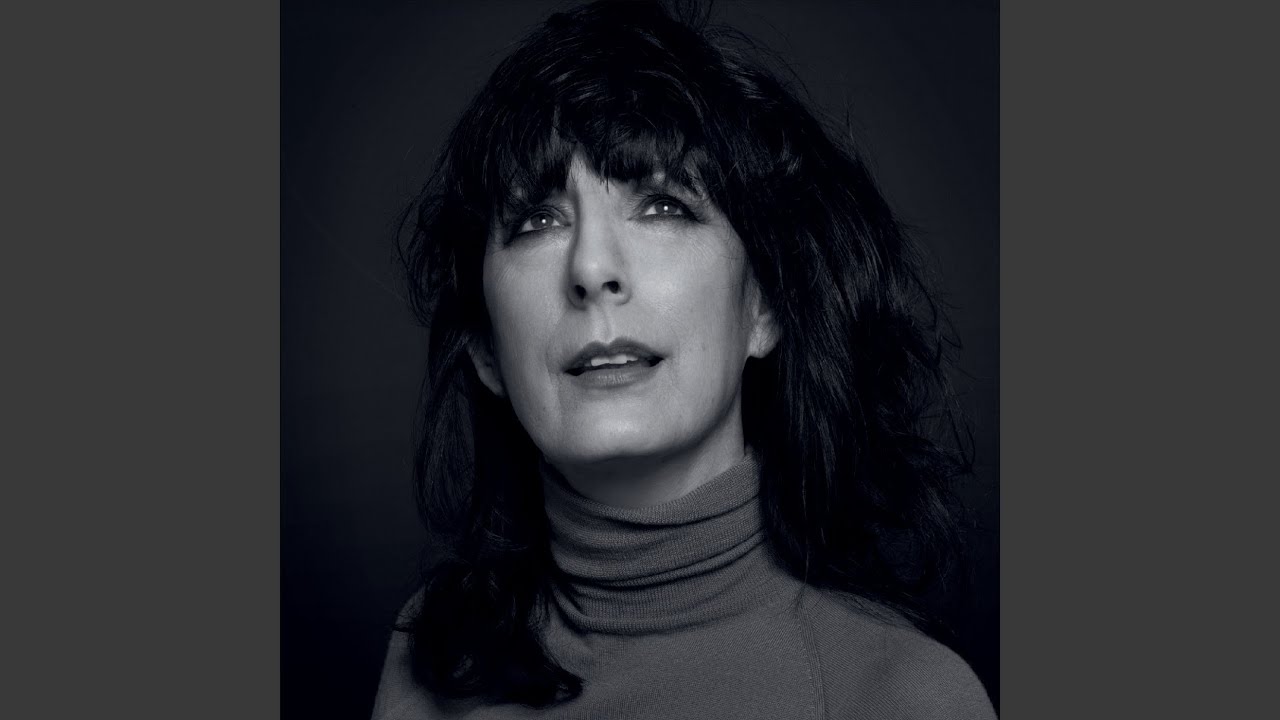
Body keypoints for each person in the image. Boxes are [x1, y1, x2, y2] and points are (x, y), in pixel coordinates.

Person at [372, 1, 996, 717]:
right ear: (485, 347)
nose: (592, 268)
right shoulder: (434, 661)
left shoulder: (902, 696)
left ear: (765, 307)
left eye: (663, 206)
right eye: (538, 220)